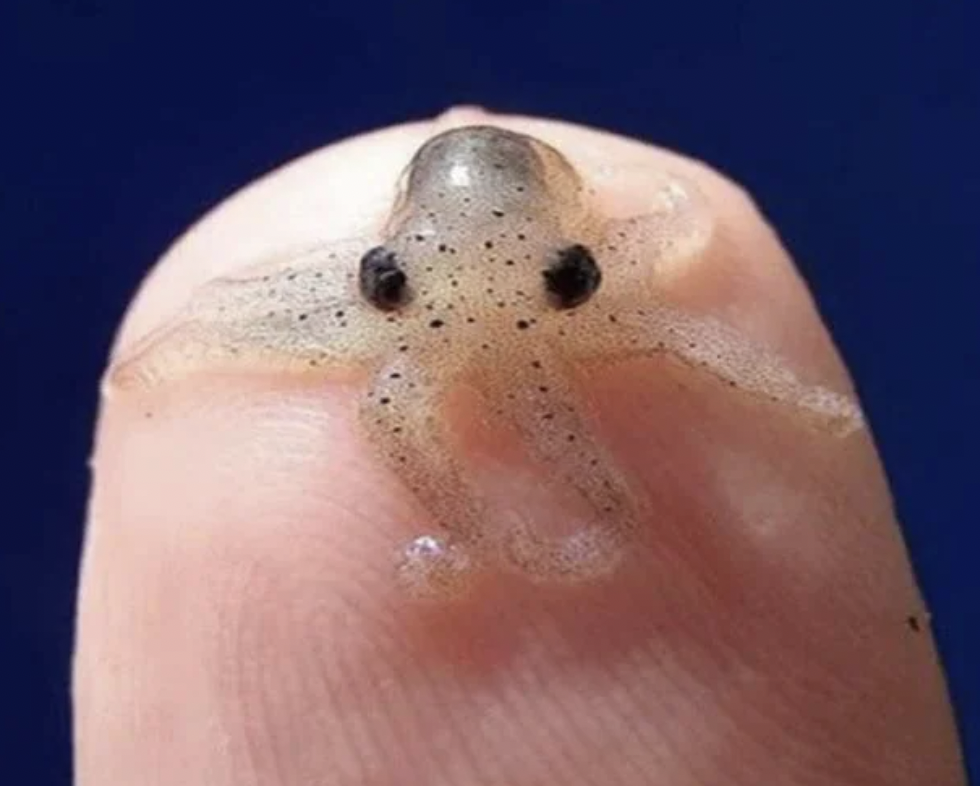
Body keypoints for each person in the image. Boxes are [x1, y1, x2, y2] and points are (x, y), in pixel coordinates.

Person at [73, 112, 966, 785]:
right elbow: (681, 224)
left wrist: (801, 399)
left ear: (582, 268)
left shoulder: (605, 280)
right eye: (393, 288)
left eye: (564, 284)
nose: (477, 320)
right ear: (380, 271)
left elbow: (685, 277)